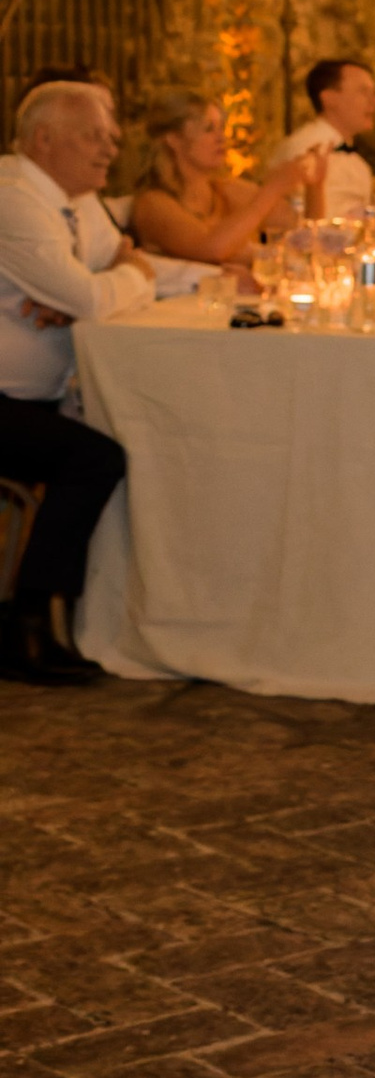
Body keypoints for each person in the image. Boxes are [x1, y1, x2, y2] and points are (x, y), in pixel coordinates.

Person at [0, 80, 153, 683]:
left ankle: (110, 614)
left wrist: (222, 278)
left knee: (130, 435)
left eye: (110, 138)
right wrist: (119, 283)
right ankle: (27, 622)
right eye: (93, 137)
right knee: (95, 457)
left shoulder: (78, 200)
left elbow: (114, 273)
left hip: (43, 395)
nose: (109, 151)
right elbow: (96, 291)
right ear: (44, 140)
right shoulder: (14, 199)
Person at [129, 96, 312, 268]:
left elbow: (306, 235)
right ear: (174, 140)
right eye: (208, 129)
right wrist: (272, 189)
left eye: (221, 128)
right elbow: (212, 249)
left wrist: (314, 185)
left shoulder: (228, 190)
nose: (221, 138)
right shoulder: (153, 204)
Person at [266, 56, 375, 218]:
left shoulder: (354, 160)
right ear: (329, 98)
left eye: (373, 93)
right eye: (363, 92)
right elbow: (307, 225)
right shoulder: (303, 150)